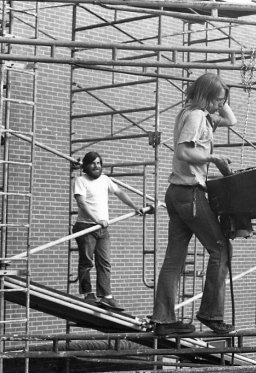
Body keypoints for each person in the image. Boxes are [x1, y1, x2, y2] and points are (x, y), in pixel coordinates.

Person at [152, 73, 237, 336]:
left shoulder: (193, 113)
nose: (219, 105)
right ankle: (211, 314)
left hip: (177, 192)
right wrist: (213, 158)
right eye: (217, 100)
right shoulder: (196, 116)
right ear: (206, 97)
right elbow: (182, 151)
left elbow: (231, 120)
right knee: (221, 248)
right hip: (190, 192)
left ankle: (163, 319)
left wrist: (220, 97)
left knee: (174, 259)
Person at [73, 151, 144, 312]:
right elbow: (82, 203)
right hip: (86, 226)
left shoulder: (105, 180)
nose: (96, 166)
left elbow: (120, 193)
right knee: (86, 262)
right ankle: (88, 294)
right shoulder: (80, 180)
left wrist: (134, 207)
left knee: (104, 262)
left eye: (99, 163)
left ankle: (106, 296)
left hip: (102, 229)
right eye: (92, 163)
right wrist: (96, 220)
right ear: (86, 165)